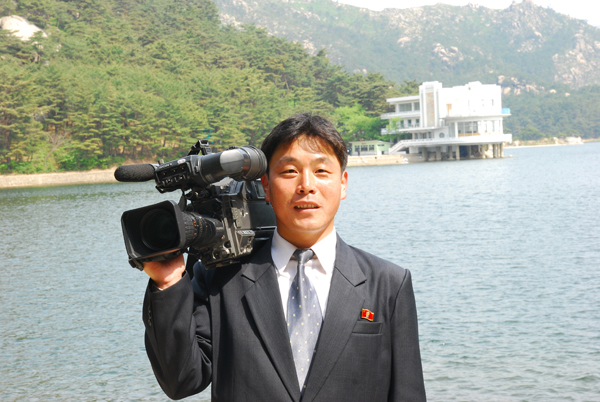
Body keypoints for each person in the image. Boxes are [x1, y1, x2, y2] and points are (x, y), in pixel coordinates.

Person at [142, 113, 426, 401]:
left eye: (321, 171)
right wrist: (167, 282)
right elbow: (181, 380)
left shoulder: (389, 284)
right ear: (266, 186)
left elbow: (407, 392)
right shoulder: (220, 279)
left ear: (343, 184)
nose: (306, 185)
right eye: (289, 171)